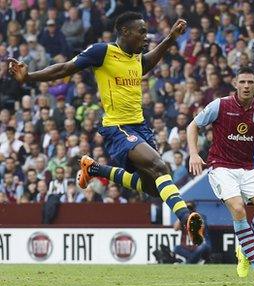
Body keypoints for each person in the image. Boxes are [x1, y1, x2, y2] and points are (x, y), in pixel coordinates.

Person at [7, 12, 205, 243]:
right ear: (124, 32)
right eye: (141, 32)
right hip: (117, 127)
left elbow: (146, 64)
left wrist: (171, 38)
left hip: (140, 127)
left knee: (153, 188)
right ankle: (185, 218)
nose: (146, 37)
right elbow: (65, 68)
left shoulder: (135, 57)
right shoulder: (103, 52)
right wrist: (29, 76)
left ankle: (95, 169)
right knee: (159, 166)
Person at [187, 66, 254, 279]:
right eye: (242, 82)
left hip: (247, 169)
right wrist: (193, 153)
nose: (246, 86)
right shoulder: (219, 105)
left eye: (250, 82)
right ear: (235, 84)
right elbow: (192, 126)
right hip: (221, 167)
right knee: (238, 208)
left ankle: (244, 249)